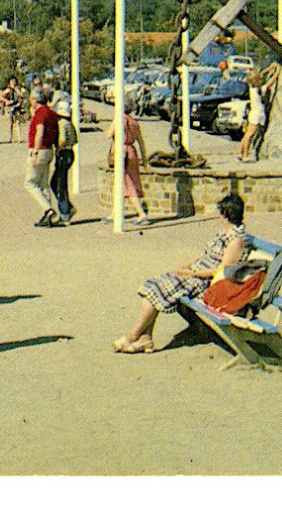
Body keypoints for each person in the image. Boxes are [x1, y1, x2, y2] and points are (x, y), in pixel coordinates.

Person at [113, 193, 248, 354]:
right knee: (153, 285)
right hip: (195, 274)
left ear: (226, 216)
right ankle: (145, 337)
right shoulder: (225, 234)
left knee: (159, 288)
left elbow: (223, 271)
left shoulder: (236, 240)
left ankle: (133, 334)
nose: (218, 217)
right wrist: (183, 268)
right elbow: (203, 254)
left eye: (220, 214)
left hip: (205, 282)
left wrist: (193, 274)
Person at [106, 112, 151, 224]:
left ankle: (141, 214)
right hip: (132, 152)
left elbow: (108, 134)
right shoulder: (134, 122)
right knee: (123, 183)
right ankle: (114, 213)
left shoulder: (119, 119)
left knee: (128, 184)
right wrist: (145, 160)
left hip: (121, 153)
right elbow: (141, 142)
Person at [25, 87, 59, 226]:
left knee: (30, 183)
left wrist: (35, 153)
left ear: (36, 99)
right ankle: (48, 218)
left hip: (40, 149)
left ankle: (48, 210)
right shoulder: (51, 113)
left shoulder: (41, 113)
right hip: (49, 150)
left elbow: (40, 132)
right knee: (44, 184)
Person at [51, 97, 79, 226]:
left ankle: (65, 214)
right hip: (70, 152)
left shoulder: (62, 123)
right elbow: (75, 139)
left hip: (64, 153)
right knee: (56, 182)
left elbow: (62, 139)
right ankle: (67, 207)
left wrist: (58, 148)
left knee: (60, 185)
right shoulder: (70, 123)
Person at [238, 74, 267, 162]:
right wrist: (276, 69)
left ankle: (240, 154)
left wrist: (269, 68)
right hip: (257, 115)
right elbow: (271, 81)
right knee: (249, 135)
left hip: (255, 113)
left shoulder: (253, 89)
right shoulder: (260, 90)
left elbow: (259, 75)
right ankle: (245, 155)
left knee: (247, 135)